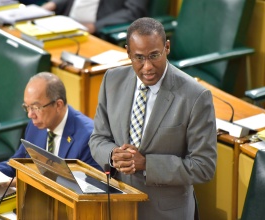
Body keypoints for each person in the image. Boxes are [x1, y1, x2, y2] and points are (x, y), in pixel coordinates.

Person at [89, 17, 217, 220]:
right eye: (139, 58)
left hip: (166, 213)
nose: (147, 67)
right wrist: (113, 155)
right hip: (119, 206)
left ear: (167, 47)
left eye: (154, 55)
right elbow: (97, 139)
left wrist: (147, 164)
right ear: (128, 53)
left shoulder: (195, 96)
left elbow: (204, 166)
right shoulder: (111, 81)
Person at [0, 72, 101, 180]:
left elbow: (91, 191)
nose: (30, 115)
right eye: (27, 107)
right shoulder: (36, 126)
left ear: (58, 105)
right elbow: (17, 163)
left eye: (36, 107)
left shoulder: (88, 137)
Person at [42, 0, 149, 34]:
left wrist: (95, 26)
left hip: (97, 33)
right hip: (63, 23)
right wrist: (54, 4)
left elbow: (133, 11)